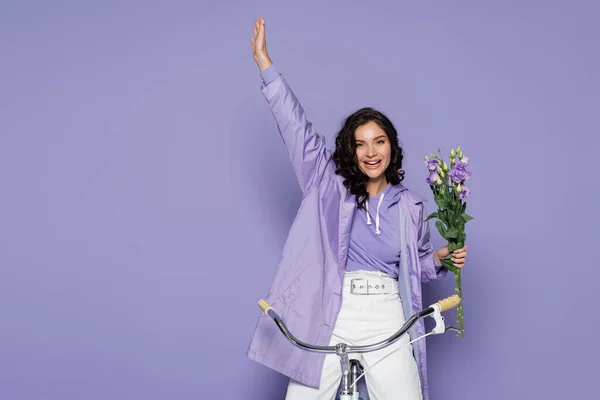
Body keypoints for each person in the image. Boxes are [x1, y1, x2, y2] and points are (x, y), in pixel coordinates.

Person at [246, 17, 467, 400]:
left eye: (379, 142)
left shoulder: (411, 205)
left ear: (391, 147)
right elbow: (295, 128)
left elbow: (415, 267)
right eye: (361, 144)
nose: (371, 152)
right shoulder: (326, 182)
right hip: (332, 310)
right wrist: (266, 65)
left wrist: (441, 258)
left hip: (386, 314)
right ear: (351, 150)